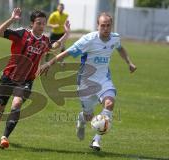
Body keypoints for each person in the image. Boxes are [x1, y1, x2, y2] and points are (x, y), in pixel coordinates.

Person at [40, 12, 137, 151]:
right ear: (98, 26)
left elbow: (120, 49)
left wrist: (129, 62)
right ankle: (81, 120)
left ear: (111, 26)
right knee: (88, 115)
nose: (106, 28)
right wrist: (49, 63)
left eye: (108, 25)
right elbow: (67, 52)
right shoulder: (88, 39)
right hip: (86, 81)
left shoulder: (115, 38)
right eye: (102, 25)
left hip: (104, 79)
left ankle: (96, 140)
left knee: (109, 103)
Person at [0, 8, 70, 149]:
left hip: (26, 80)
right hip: (8, 76)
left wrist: (66, 34)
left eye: (43, 23)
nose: (41, 26)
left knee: (16, 105)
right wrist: (12, 19)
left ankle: (4, 137)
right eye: (38, 23)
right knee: (0, 105)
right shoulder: (22, 34)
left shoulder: (44, 40)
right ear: (32, 24)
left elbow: (54, 47)